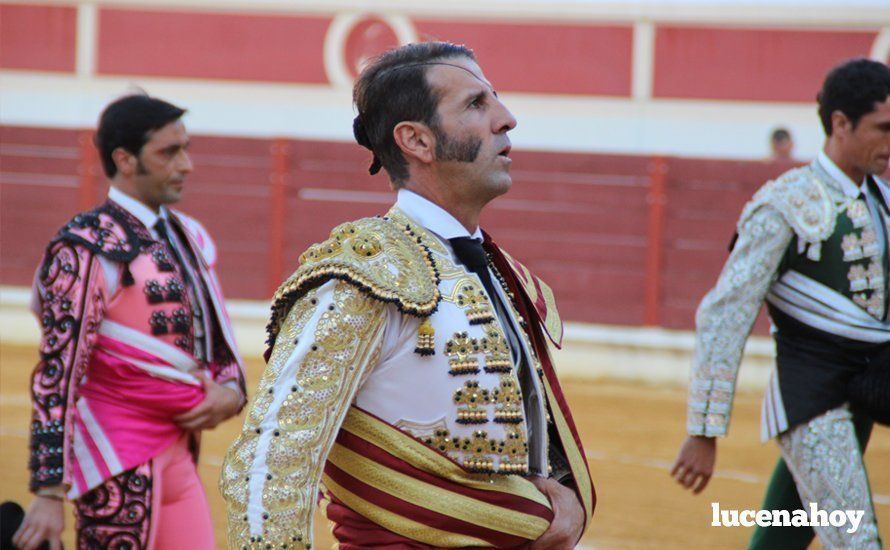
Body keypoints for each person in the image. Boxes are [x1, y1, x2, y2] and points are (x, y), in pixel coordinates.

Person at [220, 41, 595, 549]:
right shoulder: (363, 277)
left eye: (495, 99)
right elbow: (271, 462)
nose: (506, 120)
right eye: (475, 105)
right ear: (417, 140)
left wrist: (563, 497)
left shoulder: (502, 273)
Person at [671, 58, 890, 549]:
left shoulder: (881, 199)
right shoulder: (785, 204)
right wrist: (704, 430)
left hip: (863, 396)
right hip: (812, 403)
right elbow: (725, 313)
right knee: (857, 543)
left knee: (782, 536)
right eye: (883, 128)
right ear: (840, 123)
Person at [12, 94, 247, 550]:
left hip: (178, 451)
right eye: (168, 152)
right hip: (113, 457)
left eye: (185, 148)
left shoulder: (187, 235)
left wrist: (232, 390)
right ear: (124, 159)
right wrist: (48, 492)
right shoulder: (84, 246)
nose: (186, 164)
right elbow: (58, 373)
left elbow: (216, 335)